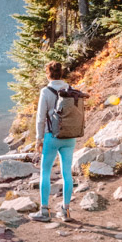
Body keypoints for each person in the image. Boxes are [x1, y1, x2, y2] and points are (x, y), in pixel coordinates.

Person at [30, 60, 89, 222]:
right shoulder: (69, 90)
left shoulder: (46, 91)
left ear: (47, 74)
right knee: (66, 173)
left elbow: (40, 118)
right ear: (61, 73)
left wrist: (38, 138)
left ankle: (44, 211)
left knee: (45, 172)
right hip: (69, 137)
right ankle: (66, 211)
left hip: (52, 137)